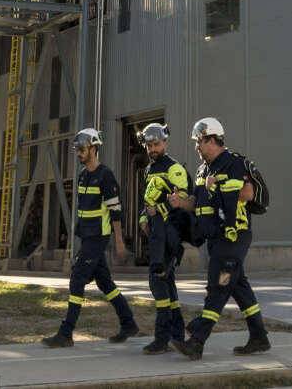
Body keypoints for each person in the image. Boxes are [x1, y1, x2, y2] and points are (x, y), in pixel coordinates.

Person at [168, 117, 269, 360]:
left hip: (233, 234)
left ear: (212, 139)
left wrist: (219, 188)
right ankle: (259, 337)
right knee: (238, 285)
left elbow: (248, 192)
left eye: (199, 142)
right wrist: (180, 202)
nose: (196, 147)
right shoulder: (204, 169)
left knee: (219, 284)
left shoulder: (233, 163)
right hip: (214, 238)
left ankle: (197, 339)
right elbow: (198, 201)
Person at [42, 128, 139, 347]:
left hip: (98, 237)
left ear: (94, 149)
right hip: (86, 237)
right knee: (105, 283)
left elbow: (116, 211)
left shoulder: (105, 176)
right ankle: (129, 323)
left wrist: (119, 241)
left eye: (82, 149)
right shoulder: (84, 176)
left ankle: (66, 333)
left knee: (77, 279)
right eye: (77, 150)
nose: (78, 153)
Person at [136, 123, 193, 354]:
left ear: (165, 142)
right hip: (156, 235)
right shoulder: (150, 169)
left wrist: (158, 211)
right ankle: (176, 335)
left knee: (157, 280)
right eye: (149, 145)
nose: (152, 148)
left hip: (169, 235)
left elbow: (184, 204)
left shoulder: (174, 168)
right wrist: (143, 218)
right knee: (166, 283)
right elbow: (149, 201)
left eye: (156, 144)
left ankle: (162, 338)